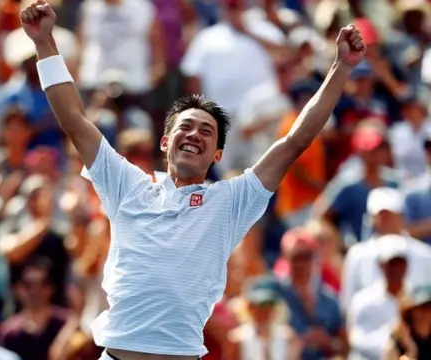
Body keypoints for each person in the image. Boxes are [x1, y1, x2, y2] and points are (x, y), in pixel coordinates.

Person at [19, 1, 366, 359]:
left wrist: (341, 67)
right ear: (165, 142)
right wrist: (44, 42)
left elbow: (295, 141)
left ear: (217, 155)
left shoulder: (230, 201)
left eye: (207, 131)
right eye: (185, 126)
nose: (195, 133)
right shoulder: (127, 186)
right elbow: (74, 120)